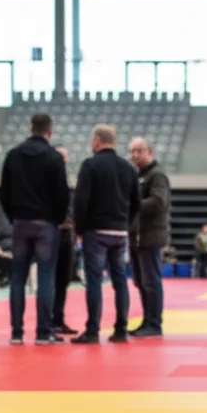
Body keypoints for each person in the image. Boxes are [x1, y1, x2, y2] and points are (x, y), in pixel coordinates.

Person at [0, 112, 71, 345]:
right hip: (46, 225)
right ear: (49, 132)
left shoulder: (13, 155)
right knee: (46, 277)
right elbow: (62, 194)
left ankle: (16, 333)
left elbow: (3, 193)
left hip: (20, 221)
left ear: (30, 127)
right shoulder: (54, 158)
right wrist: (58, 219)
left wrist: (13, 216)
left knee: (18, 278)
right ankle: (43, 332)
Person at [72, 124, 139, 344]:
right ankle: (121, 328)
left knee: (94, 280)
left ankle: (92, 330)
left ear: (97, 141)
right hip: (119, 231)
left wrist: (79, 229)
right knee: (120, 279)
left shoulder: (90, 165)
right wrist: (125, 224)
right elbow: (137, 203)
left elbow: (81, 201)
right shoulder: (128, 168)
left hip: (96, 231)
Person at [127, 137, 171, 338]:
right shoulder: (139, 175)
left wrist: (132, 203)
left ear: (149, 151)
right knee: (141, 280)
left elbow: (158, 202)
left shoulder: (157, 175)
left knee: (151, 280)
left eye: (139, 151)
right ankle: (147, 320)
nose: (135, 155)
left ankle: (154, 323)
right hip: (137, 235)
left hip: (150, 236)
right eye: (132, 151)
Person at [52, 147, 78, 336]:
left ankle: (58, 319)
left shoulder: (69, 184)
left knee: (64, 278)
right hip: (51, 233)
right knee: (50, 278)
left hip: (67, 234)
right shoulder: (45, 182)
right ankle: (47, 320)